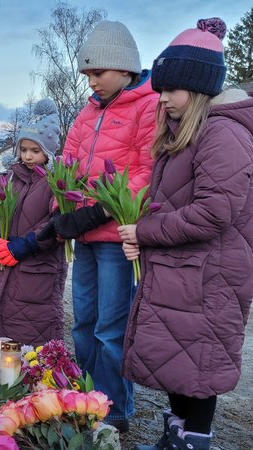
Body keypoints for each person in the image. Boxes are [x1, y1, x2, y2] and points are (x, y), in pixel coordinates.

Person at [119, 18, 253, 450]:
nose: (161, 98)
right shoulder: (191, 131)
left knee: (198, 369)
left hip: (210, 278)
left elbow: (212, 213)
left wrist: (145, 231)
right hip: (187, 274)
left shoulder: (224, 133)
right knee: (179, 364)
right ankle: (176, 439)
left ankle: (193, 442)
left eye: (170, 90)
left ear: (199, 88)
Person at [37, 20, 158, 432]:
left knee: (111, 328)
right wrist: (61, 210)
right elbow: (65, 167)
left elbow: (146, 171)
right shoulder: (87, 113)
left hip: (115, 238)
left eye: (97, 73)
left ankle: (113, 409)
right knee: (83, 323)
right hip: (83, 236)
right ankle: (86, 398)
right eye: (87, 74)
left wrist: (102, 210)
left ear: (125, 68)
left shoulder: (147, 107)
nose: (91, 82)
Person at [0, 99, 67, 347]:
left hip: (39, 268)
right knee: (6, 317)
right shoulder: (10, 178)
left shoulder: (56, 181)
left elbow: (56, 222)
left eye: (35, 151)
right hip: (6, 264)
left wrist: (24, 245)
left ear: (48, 152)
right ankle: (4, 370)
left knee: (34, 328)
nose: (28, 156)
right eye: (24, 149)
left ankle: (35, 373)